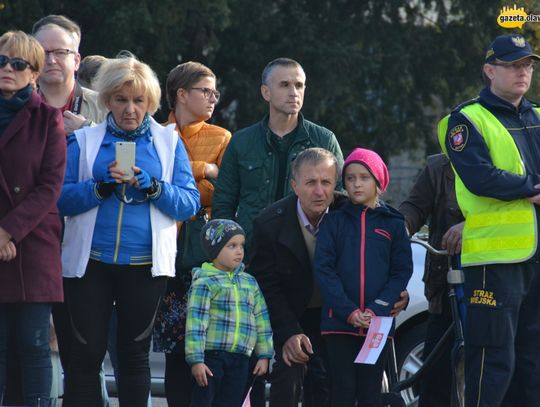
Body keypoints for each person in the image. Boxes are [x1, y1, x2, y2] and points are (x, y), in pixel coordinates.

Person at [57, 55, 200, 406]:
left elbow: (189, 203)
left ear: (151, 103)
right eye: (121, 99)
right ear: (107, 100)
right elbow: (59, 198)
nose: (130, 109)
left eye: (138, 101)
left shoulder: (169, 142)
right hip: (90, 263)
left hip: (144, 266)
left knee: (134, 356)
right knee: (85, 356)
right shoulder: (85, 141)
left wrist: (153, 188)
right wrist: (99, 187)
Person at [250, 148, 410, 407]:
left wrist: (399, 296)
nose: (319, 191)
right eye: (310, 182)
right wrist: (289, 333)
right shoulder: (269, 224)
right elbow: (266, 286)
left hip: (336, 315)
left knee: (337, 385)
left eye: (326, 182)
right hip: (291, 316)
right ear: (294, 185)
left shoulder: (352, 211)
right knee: (290, 369)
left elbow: (385, 262)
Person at [438, 34, 540, 407]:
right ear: (489, 70)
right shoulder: (465, 120)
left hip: (536, 259)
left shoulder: (539, 117)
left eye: (527, 65)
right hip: (494, 264)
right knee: (493, 364)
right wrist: (530, 187)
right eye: (513, 65)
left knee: (533, 365)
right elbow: (480, 177)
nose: (523, 72)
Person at [153, 61, 231, 407]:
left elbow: (222, 193)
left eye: (215, 92)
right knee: (174, 351)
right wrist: (203, 168)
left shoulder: (221, 137)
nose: (213, 98)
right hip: (161, 250)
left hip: (201, 255)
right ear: (181, 94)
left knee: (203, 348)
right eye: (206, 91)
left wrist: (197, 178)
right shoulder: (155, 132)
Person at [213, 57, 343, 255]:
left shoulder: (324, 140)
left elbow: (340, 197)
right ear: (266, 92)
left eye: (299, 85)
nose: (293, 92)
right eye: (284, 85)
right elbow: (224, 202)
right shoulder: (241, 141)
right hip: (251, 253)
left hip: (308, 254)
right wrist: (230, 249)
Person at [314, 147, 413, 407]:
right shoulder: (333, 222)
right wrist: (349, 311)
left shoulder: (394, 222)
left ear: (378, 181)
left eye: (364, 177)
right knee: (341, 391)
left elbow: (401, 270)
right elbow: (324, 270)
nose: (356, 184)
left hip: (377, 325)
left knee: (371, 393)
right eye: (350, 178)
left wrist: (377, 308)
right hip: (339, 324)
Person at [0, 30, 66, 406]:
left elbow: (50, 184)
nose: (8, 68)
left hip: (33, 244)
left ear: (34, 73)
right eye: (1, 60)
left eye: (18, 63)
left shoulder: (47, 119)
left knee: (34, 344)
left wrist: (8, 232)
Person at [398, 153, 464, 407]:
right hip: (445, 283)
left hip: (493, 284)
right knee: (436, 375)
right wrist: (398, 229)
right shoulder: (439, 167)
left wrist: (471, 227)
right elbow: (414, 207)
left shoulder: (507, 162)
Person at [185, 219, 273, 407]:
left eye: (241, 245)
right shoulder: (205, 283)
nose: (239, 251)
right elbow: (195, 324)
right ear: (214, 250)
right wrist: (196, 360)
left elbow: (262, 320)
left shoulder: (249, 282)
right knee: (203, 402)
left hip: (241, 358)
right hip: (211, 358)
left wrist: (264, 355)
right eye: (231, 245)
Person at [32, 15, 105, 135]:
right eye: (43, 53)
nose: (51, 61)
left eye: (60, 52)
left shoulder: (104, 106)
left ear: (76, 61)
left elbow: (127, 151)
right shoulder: (19, 109)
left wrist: (87, 130)